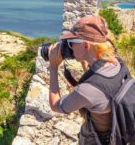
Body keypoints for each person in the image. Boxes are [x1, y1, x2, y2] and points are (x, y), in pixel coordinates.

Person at [47, 15, 121, 145]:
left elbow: (55, 105)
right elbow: (99, 76)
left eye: (72, 43)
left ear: (86, 45)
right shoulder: (117, 64)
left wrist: (53, 66)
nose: (70, 48)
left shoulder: (87, 90)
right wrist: (85, 61)